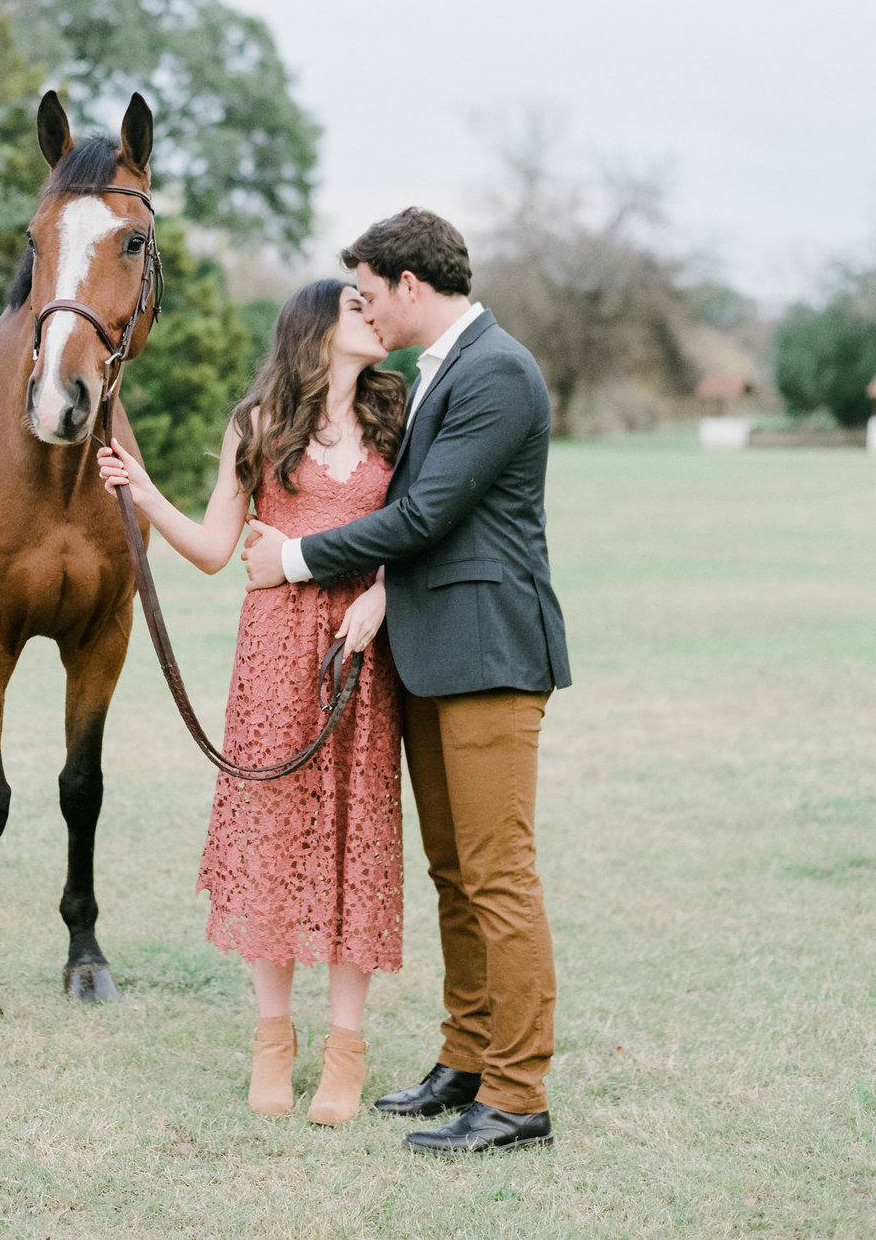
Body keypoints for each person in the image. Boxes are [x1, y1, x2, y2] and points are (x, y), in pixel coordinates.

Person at [242, 208, 570, 1156]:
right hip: (433, 658)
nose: (368, 311)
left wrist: (300, 559)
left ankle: (517, 1093)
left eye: (373, 292)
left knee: (499, 877)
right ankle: (466, 1059)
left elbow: (424, 515)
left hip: (491, 658)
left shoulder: (498, 371)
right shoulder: (440, 373)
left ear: (411, 286)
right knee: (454, 874)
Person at [97, 279, 406, 1124]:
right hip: (272, 654)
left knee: (354, 835)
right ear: (316, 328)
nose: (375, 319)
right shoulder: (257, 424)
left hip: (357, 654)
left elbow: (414, 529)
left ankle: (346, 1048)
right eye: (357, 308)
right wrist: (144, 488)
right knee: (272, 835)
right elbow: (209, 548)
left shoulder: (395, 417)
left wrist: (383, 598)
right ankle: (274, 1039)